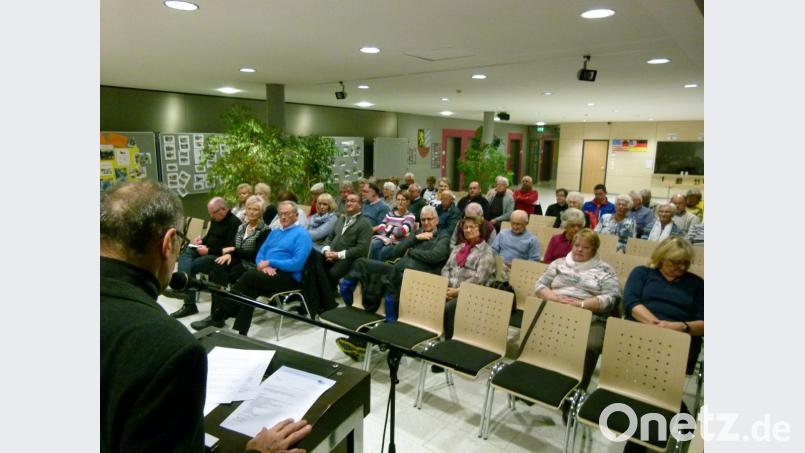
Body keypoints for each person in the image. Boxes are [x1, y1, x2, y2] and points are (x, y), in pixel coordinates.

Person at [101, 181, 310, 452]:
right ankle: (223, 314)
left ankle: (222, 314)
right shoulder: (167, 347)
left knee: (238, 275)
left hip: (277, 275)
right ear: (168, 244)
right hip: (258, 269)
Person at [335, 206, 451, 361]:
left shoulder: (442, 236)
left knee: (384, 279)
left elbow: (436, 256)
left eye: (430, 219)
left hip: (418, 280)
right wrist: (415, 239)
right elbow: (394, 252)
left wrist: (411, 252)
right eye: (423, 219)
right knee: (362, 263)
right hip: (397, 273)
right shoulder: (416, 234)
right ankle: (352, 306)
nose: (426, 222)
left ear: (437, 220)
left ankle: (364, 339)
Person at [535, 228, 621, 391]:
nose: (579, 249)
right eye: (576, 245)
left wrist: (581, 305)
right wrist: (554, 299)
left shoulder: (605, 270)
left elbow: (612, 298)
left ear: (594, 249)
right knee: (537, 333)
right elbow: (540, 285)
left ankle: (578, 390)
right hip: (556, 308)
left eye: (585, 247)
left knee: (591, 346)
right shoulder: (559, 263)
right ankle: (539, 381)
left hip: (590, 316)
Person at [230, 201, 313, 336]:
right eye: (281, 214)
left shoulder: (302, 235)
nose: (283, 217)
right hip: (269, 273)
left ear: (296, 216)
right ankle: (241, 332)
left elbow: (297, 263)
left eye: (287, 214)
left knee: (249, 276)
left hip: (289, 277)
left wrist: (270, 262)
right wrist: (263, 267)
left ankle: (223, 310)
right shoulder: (275, 232)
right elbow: (260, 254)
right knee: (251, 289)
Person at [191, 195, 270, 330]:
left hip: (250, 264)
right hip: (238, 260)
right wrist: (230, 254)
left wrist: (233, 251)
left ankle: (218, 315)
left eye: (255, 209)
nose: (251, 212)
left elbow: (255, 254)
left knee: (219, 271)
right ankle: (216, 315)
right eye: (249, 208)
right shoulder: (242, 227)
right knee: (218, 266)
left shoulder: (265, 230)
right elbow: (233, 246)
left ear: (261, 212)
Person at [623, 237, 704, 371]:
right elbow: (631, 303)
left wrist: (681, 327)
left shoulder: (698, 284)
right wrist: (659, 326)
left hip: (678, 338)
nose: (682, 267)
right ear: (661, 258)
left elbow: (704, 322)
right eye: (676, 262)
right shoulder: (642, 273)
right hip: (639, 330)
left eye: (686, 263)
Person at [170, 196, 241, 319]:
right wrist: (200, 240)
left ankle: (189, 303)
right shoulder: (216, 219)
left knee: (190, 266)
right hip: (206, 249)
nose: (211, 216)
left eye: (213, 213)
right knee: (186, 253)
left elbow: (230, 249)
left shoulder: (235, 223)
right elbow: (209, 238)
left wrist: (209, 250)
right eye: (210, 213)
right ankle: (185, 289)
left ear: (223, 209)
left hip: (217, 256)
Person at [440, 216, 497, 345]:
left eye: (472, 226)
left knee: (449, 308)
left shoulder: (486, 252)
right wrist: (445, 286)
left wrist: (457, 291)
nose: (468, 229)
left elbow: (479, 279)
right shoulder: (458, 248)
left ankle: (449, 345)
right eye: (465, 227)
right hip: (449, 290)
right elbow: (446, 268)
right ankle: (436, 337)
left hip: (473, 294)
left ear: (480, 229)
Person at [321, 193, 373, 288]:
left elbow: (362, 249)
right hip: (331, 254)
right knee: (315, 267)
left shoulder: (365, 224)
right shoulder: (341, 219)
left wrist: (338, 255)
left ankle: (328, 298)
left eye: (352, 201)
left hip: (350, 258)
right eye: (347, 201)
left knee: (331, 274)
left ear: (360, 205)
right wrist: (326, 251)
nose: (348, 203)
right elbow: (329, 238)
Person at [491, 210, 540, 279]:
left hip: (518, 271)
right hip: (498, 266)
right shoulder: (503, 234)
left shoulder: (532, 239)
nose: (515, 227)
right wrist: (499, 262)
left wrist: (517, 265)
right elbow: (493, 250)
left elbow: (534, 260)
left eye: (518, 224)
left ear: (526, 223)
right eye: (513, 223)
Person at [369, 191, 415, 261]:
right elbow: (380, 228)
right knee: (373, 244)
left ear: (408, 202)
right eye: (398, 200)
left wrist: (387, 227)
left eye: (403, 200)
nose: (400, 202)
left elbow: (400, 232)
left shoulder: (410, 216)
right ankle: (371, 266)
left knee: (384, 251)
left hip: (398, 243)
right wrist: (391, 230)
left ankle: (378, 269)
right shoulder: (390, 214)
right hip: (384, 238)